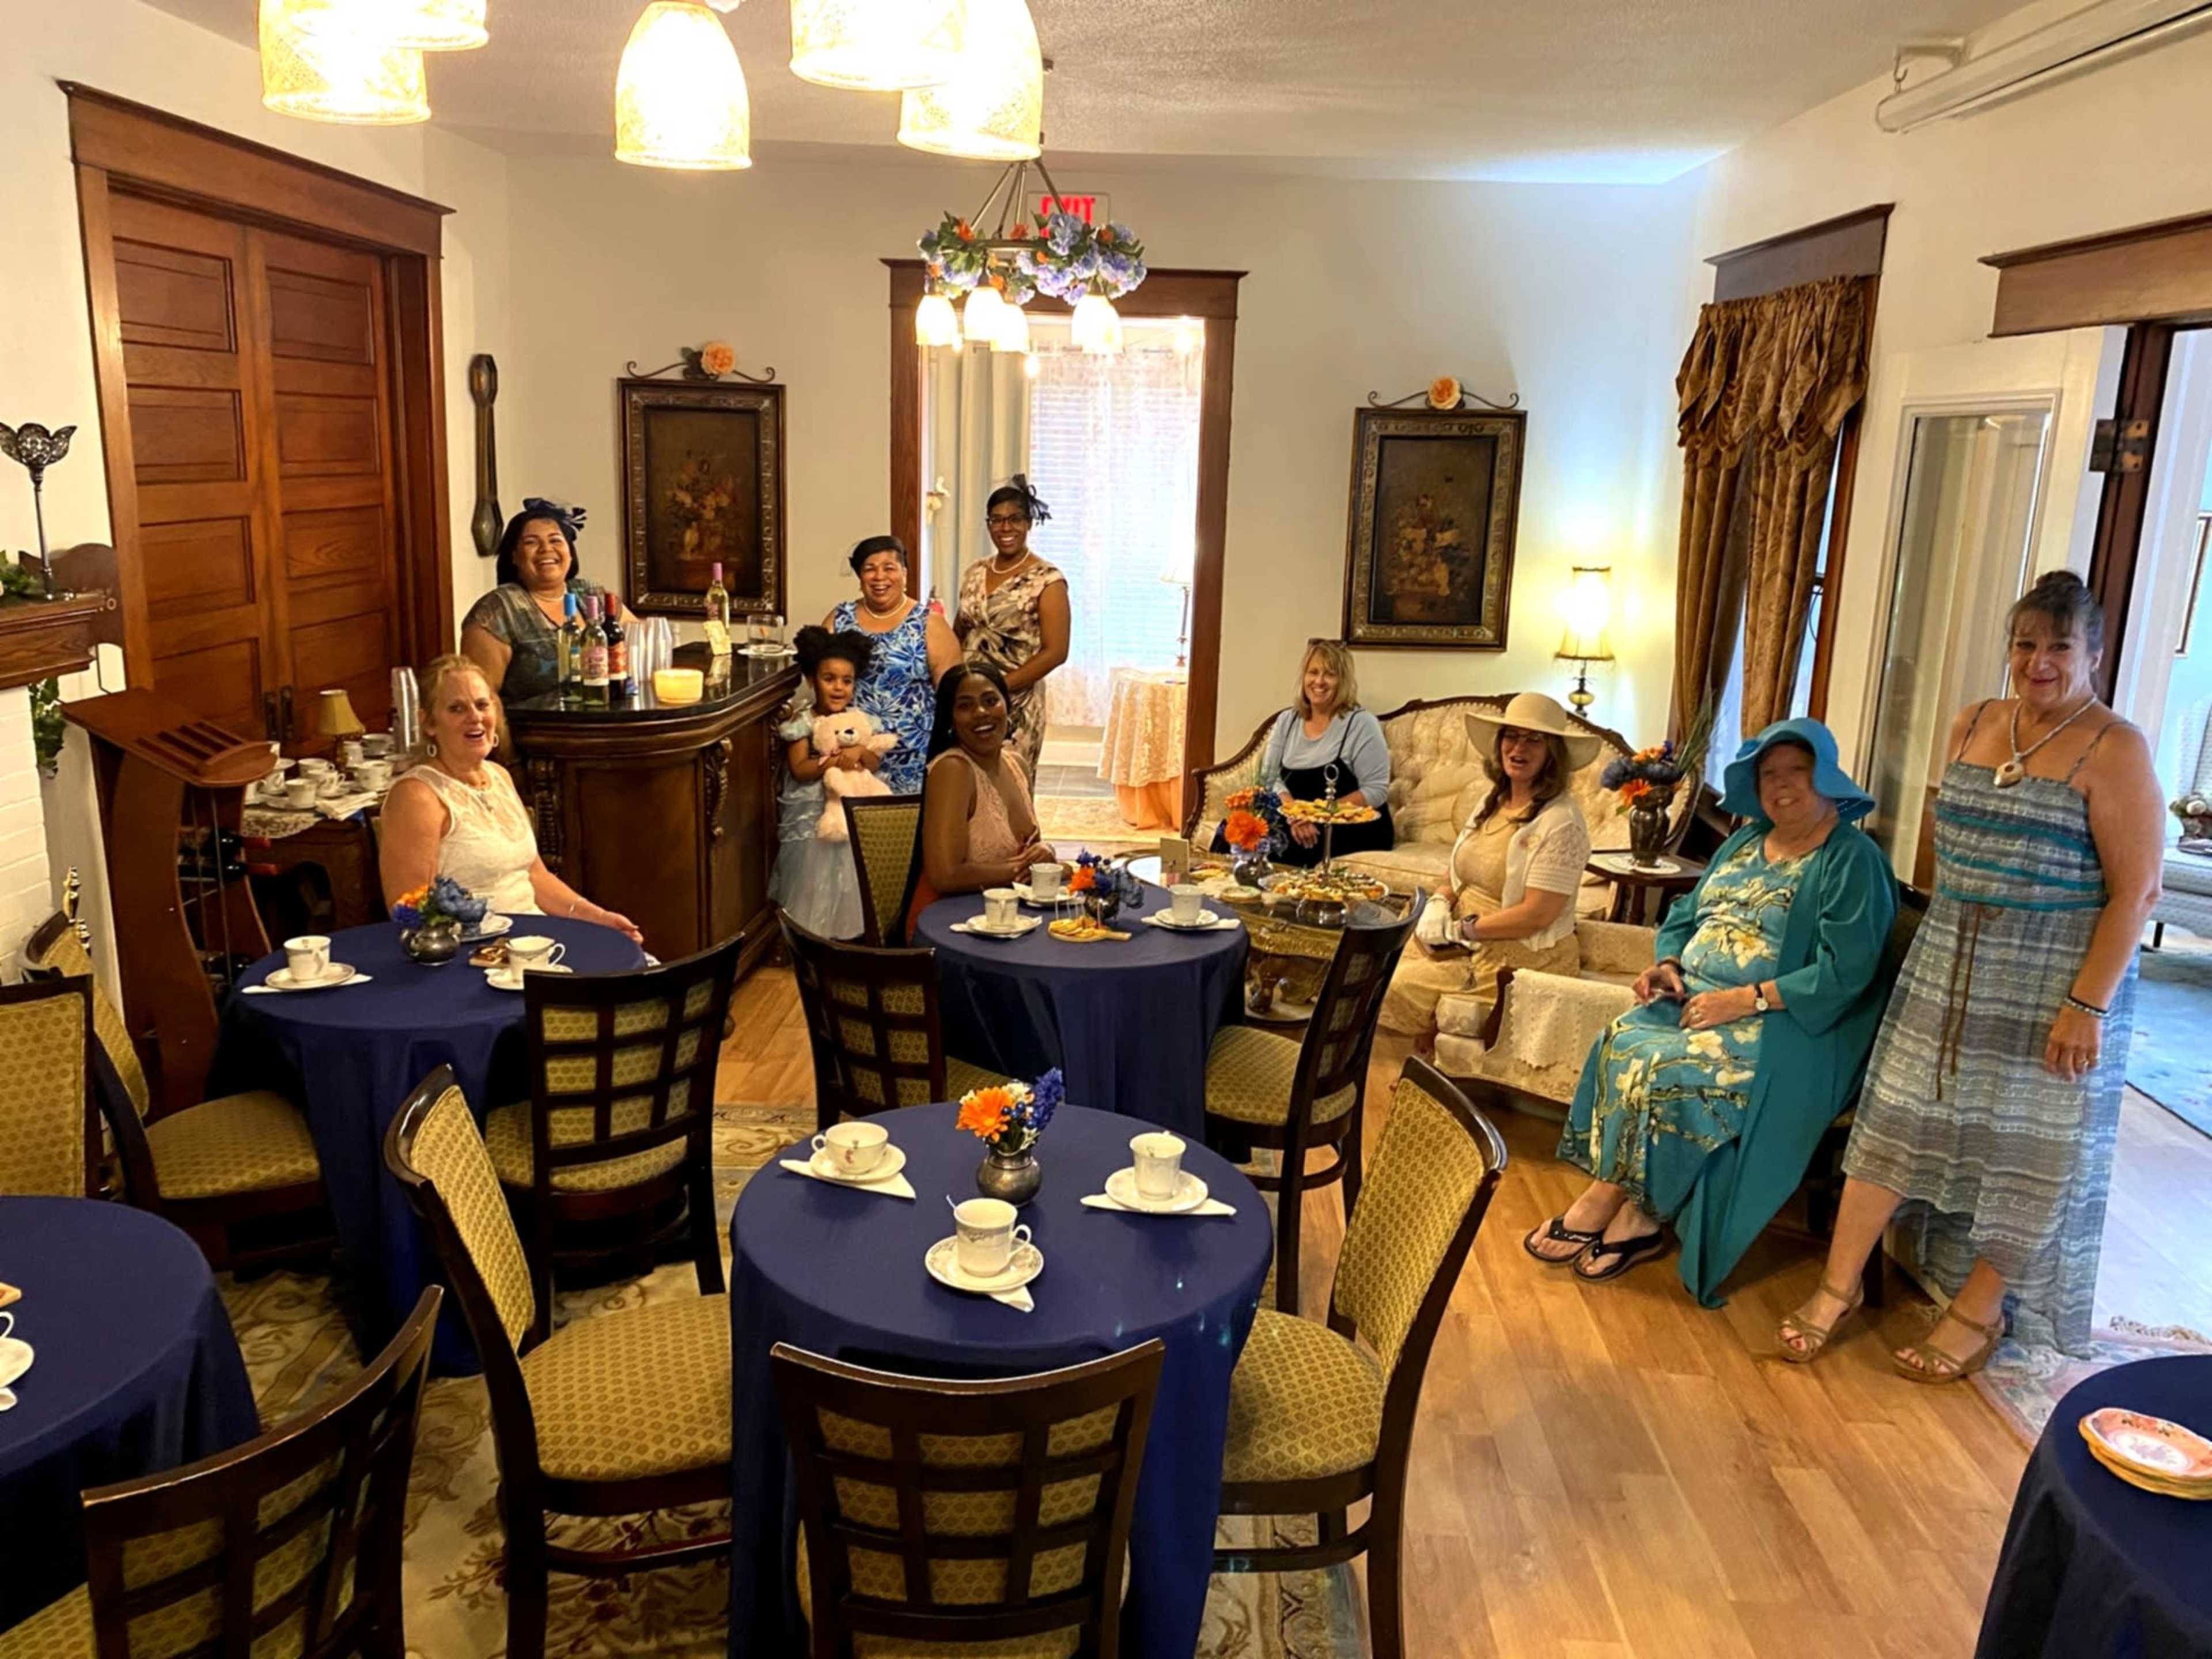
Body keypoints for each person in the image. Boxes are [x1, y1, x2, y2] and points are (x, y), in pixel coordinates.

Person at [1779, 573, 2163, 1375]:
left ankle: (1977, 1312)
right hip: (1950, 958)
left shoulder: (2116, 748)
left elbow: (2139, 891)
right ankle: (1839, 1286)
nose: (2040, 662)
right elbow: (1944, 844)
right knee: (1894, 1122)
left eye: (2061, 646)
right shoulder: (1974, 722)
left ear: (2093, 651)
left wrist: (2085, 1004)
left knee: (2028, 1150)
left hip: (2056, 975)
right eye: (2026, 644)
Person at [1532, 720, 1896, 1299]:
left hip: (1788, 1025)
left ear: (1825, 776)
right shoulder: (1745, 841)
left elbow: (1846, 972)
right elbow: (1685, 915)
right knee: (1621, 1042)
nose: (1780, 787)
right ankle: (1612, 1189)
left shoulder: (1851, 859)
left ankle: (1645, 1216)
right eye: (1768, 774)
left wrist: (1744, 1000)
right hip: (1698, 997)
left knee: (1672, 1072)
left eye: (1795, 773)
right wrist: (1669, 964)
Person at [379, 654, 642, 944]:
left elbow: (534, 877)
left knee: (640, 969)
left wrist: (599, 919)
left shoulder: (499, 777)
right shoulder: (417, 795)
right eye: (457, 709)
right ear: (428, 723)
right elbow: (408, 907)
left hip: (534, 940)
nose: (475, 717)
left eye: (482, 705)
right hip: (473, 954)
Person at [1379, 693, 1593, 1037]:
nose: (1518, 748)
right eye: (1511, 736)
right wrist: (1438, 903)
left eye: (1533, 740)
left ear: (1553, 754)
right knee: (1374, 966)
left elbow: (1536, 915)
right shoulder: (1491, 800)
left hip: (1518, 953)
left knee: (1395, 986)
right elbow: (1456, 869)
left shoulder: (1562, 823)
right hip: (1461, 935)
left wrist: (1463, 931)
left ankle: (1425, 1078)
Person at [908, 663, 1060, 934]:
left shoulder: (1017, 765)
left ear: (1007, 706)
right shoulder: (952, 770)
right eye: (965, 706)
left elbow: (1030, 851)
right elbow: (946, 876)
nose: (981, 713)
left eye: (990, 701)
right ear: (951, 719)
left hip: (1009, 917)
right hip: (950, 925)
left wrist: (1046, 851)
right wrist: (1022, 868)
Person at [1218, 639, 1395, 868]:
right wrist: (1294, 814)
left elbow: (1376, 790)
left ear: (1344, 681)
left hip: (1347, 825)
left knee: (1282, 847)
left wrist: (1315, 816)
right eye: (1313, 672)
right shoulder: (1287, 720)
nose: (1319, 681)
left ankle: (1277, 902)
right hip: (1295, 819)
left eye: (1330, 674)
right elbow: (1269, 778)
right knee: (1230, 834)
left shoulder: (1361, 724)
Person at [823, 534, 960, 796]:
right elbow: (819, 678)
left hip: (916, 756)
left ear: (905, 574)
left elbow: (952, 693)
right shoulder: (840, 619)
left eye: (889, 568)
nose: (879, 577)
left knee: (911, 831)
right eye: (869, 569)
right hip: (852, 756)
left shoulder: (928, 623)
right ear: (860, 578)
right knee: (855, 831)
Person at [953, 476, 1069, 776]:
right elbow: (960, 631)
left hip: (1016, 704)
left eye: (1015, 520)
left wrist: (1000, 688)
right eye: (997, 520)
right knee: (968, 788)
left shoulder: (1047, 579)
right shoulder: (975, 572)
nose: (1006, 528)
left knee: (1010, 789)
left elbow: (1056, 651)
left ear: (1029, 523)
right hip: (968, 703)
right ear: (988, 524)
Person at [459, 499, 627, 701]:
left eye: (556, 540)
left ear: (570, 553)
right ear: (514, 556)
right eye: (531, 542)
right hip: (534, 731)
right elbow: (478, 701)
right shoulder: (497, 610)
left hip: (607, 725)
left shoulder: (591, 594)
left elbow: (641, 642)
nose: (546, 549)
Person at [770, 627, 876, 940]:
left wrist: (859, 752)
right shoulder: (803, 723)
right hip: (811, 814)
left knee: (847, 873)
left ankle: (846, 935)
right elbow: (800, 769)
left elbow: (874, 760)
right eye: (829, 679)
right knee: (812, 876)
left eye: (847, 681)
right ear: (812, 680)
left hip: (849, 810)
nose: (839, 688)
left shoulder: (858, 721)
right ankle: (811, 939)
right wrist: (830, 761)